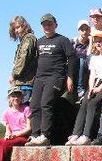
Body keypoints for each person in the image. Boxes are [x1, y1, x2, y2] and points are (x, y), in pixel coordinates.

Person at [26, 13, 77, 146]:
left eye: (50, 24)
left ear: (55, 25)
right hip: (39, 77)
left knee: (46, 103)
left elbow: (72, 58)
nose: (47, 27)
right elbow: (31, 61)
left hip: (55, 77)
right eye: (45, 25)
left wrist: (70, 77)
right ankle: (35, 135)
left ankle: (45, 136)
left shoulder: (62, 40)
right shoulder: (39, 42)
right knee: (34, 105)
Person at [66, 32, 102, 145]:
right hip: (94, 83)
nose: (98, 44)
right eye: (96, 42)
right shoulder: (94, 58)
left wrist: (99, 88)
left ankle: (86, 135)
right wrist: (91, 88)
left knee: (92, 103)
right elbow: (92, 75)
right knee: (85, 102)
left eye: (100, 41)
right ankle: (76, 133)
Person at [8, 16, 38, 103]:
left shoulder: (28, 39)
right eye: (14, 29)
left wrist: (14, 75)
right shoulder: (24, 40)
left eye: (18, 27)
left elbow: (23, 59)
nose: (16, 31)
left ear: (24, 26)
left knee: (24, 108)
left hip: (26, 82)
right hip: (23, 82)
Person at [72, 20, 91, 99]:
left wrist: (91, 41)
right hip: (74, 64)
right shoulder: (73, 41)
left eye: (86, 29)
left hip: (86, 63)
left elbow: (89, 55)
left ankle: (81, 89)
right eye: (82, 30)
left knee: (82, 61)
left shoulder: (91, 41)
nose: (84, 32)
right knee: (80, 61)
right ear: (78, 31)